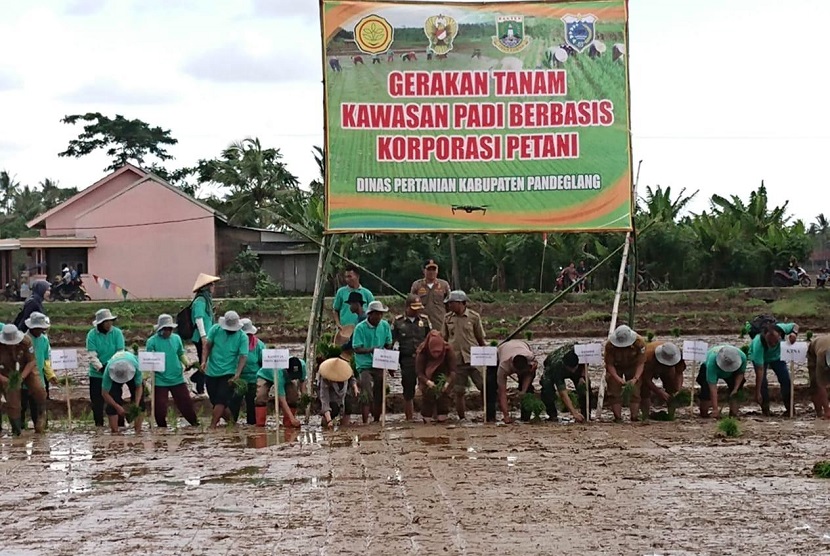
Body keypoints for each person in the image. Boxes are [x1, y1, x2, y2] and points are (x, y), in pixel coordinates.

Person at [145, 314, 199, 428]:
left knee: (186, 403)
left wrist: (187, 363)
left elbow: (180, 353)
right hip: (160, 379)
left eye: (170, 329)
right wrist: (147, 372)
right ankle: (162, 428)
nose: (168, 331)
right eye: (165, 329)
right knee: (160, 407)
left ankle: (195, 424)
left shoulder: (176, 338)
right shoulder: (152, 342)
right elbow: (148, 360)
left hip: (177, 377)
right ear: (160, 329)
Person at [442, 290, 487, 420]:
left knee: (484, 386)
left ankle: (488, 415)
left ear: (461, 303)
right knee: (459, 391)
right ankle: (462, 418)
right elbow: (444, 339)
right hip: (456, 361)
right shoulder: (447, 318)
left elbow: (480, 338)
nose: (449, 306)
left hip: (474, 358)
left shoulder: (474, 317)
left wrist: (487, 355)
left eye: (451, 303)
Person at [201, 310, 248, 428]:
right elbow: (207, 346)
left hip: (229, 373)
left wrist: (237, 374)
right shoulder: (215, 330)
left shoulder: (242, 337)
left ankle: (212, 426)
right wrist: (203, 361)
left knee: (221, 400)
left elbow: (243, 356)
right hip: (211, 371)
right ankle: (232, 423)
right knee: (216, 401)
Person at [0, 324, 48, 435]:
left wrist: (21, 377)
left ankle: (42, 414)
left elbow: (31, 362)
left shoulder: (26, 341)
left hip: (26, 368)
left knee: (38, 389)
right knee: (13, 402)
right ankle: (17, 431)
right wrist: (3, 379)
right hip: (7, 372)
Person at [352, 300, 393, 423]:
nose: (379, 317)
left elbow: (388, 343)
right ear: (370, 314)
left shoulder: (385, 325)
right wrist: (371, 350)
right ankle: (365, 420)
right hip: (365, 365)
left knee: (379, 392)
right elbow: (356, 348)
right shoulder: (360, 328)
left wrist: (388, 359)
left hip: (379, 363)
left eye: (381, 314)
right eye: (376, 314)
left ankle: (376, 419)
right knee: (366, 393)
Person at [392, 294, 431, 421]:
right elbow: (391, 343)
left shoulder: (424, 321)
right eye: (414, 307)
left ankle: (427, 416)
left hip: (423, 359)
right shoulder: (398, 322)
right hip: (407, 359)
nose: (417, 310)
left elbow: (431, 339)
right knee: (408, 388)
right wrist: (391, 365)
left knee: (426, 387)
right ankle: (409, 418)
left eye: (419, 307)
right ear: (407, 307)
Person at [749, 320, 798, 416]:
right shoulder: (758, 344)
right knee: (762, 382)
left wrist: (794, 333)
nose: (773, 344)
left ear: (780, 335)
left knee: (786, 380)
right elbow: (760, 370)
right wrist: (757, 392)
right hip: (761, 357)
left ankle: (790, 409)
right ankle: (766, 410)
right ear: (765, 336)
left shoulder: (782, 328)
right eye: (770, 342)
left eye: (776, 341)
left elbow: (795, 325)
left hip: (777, 357)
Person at [86, 309, 125, 427]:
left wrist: (110, 365)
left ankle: (119, 425)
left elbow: (120, 352)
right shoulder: (92, 335)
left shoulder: (117, 333)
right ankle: (99, 426)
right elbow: (92, 355)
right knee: (97, 402)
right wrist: (101, 368)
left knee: (116, 399)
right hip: (97, 373)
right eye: (106, 322)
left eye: (110, 321)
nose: (109, 324)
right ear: (100, 323)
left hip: (114, 372)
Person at [21, 312, 57, 430]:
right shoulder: (23, 340)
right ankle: (20, 431)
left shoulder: (44, 340)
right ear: (32, 327)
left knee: (39, 407)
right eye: (38, 329)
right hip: (24, 379)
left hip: (40, 379)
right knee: (21, 407)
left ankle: (41, 432)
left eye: (42, 329)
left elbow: (46, 360)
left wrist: (50, 375)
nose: (40, 331)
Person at [604, 324, 647, 422]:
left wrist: (635, 378)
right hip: (616, 366)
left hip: (633, 366)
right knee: (613, 389)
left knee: (635, 390)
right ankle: (618, 418)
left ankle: (634, 417)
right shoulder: (610, 345)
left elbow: (641, 363)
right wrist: (617, 378)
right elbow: (609, 364)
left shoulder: (639, 343)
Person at [540, 343, 590, 423]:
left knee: (585, 386)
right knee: (547, 387)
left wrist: (582, 376)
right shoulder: (557, 367)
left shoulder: (581, 352)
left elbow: (586, 362)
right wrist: (574, 413)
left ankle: (586, 414)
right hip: (551, 365)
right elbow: (563, 393)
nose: (572, 371)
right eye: (570, 369)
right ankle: (552, 415)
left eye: (574, 369)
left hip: (576, 365)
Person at [415, 330, 456, 423]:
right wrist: (427, 382)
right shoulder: (422, 351)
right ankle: (427, 419)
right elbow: (419, 372)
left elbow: (453, 371)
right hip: (427, 375)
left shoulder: (448, 350)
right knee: (427, 397)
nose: (436, 355)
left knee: (443, 398)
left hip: (443, 374)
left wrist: (447, 383)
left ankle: (442, 418)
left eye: (439, 352)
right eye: (434, 352)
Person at [189, 273, 219, 397]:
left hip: (207, 335)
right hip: (202, 336)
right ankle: (198, 382)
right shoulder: (200, 300)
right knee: (204, 360)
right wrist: (203, 337)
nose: (213, 287)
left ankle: (199, 384)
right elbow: (199, 318)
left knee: (205, 360)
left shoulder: (207, 300)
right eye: (211, 284)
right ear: (206, 286)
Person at [697, 345, 747, 418]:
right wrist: (715, 408)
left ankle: (733, 414)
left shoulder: (742, 357)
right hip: (707, 367)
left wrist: (735, 389)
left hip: (732, 373)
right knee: (706, 390)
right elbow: (712, 387)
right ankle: (704, 414)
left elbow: (740, 374)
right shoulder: (711, 362)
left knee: (737, 391)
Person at [101, 351, 145, 433]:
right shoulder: (108, 371)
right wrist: (117, 406)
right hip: (114, 376)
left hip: (132, 369)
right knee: (112, 400)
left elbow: (139, 387)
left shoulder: (136, 367)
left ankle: (138, 431)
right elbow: (104, 393)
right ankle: (115, 431)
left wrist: (136, 404)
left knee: (140, 402)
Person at [640, 341, 685, 419]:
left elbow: (679, 372)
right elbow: (646, 379)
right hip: (651, 367)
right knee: (644, 389)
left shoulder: (678, 355)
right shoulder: (649, 356)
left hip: (668, 369)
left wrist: (678, 389)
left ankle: (671, 415)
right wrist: (659, 392)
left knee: (672, 388)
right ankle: (645, 416)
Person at [496, 339, 537, 423]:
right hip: (503, 349)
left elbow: (529, 374)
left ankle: (525, 417)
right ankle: (492, 416)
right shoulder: (503, 367)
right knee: (492, 383)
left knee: (528, 389)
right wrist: (506, 416)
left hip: (522, 345)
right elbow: (502, 392)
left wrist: (523, 391)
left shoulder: (530, 358)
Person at [229, 318, 261, 425]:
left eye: (249, 335)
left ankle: (252, 424)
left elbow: (263, 362)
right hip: (238, 379)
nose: (247, 337)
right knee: (234, 401)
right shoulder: (233, 344)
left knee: (252, 403)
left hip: (253, 379)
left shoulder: (259, 345)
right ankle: (232, 423)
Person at [318, 356, 358, 428]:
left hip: (343, 396)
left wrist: (355, 387)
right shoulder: (325, 379)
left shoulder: (345, 373)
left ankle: (345, 425)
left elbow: (351, 378)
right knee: (334, 408)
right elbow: (324, 399)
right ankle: (325, 422)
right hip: (332, 400)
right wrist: (329, 421)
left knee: (348, 404)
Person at [410, 259, 451, 330]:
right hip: (422, 324)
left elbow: (450, 305)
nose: (431, 272)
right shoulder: (417, 285)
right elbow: (411, 303)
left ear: (437, 271)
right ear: (424, 271)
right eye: (429, 269)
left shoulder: (444, 285)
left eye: (434, 269)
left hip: (440, 324)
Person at [332, 265, 374, 333]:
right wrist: (338, 324)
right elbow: (335, 310)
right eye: (346, 277)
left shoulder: (367, 293)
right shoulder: (341, 292)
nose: (347, 279)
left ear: (357, 276)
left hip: (363, 330)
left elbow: (373, 311)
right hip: (345, 330)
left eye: (350, 276)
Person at [277, 357, 307, 428]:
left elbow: (302, 383)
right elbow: (282, 399)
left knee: (293, 396)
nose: (295, 378)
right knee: (261, 395)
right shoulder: (279, 372)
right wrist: (292, 419)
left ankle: (288, 423)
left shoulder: (302, 365)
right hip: (268, 376)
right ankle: (260, 424)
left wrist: (304, 398)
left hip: (287, 379)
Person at [807, 335, 830, 419]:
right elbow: (821, 385)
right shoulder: (822, 355)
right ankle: (820, 412)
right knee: (816, 383)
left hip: (825, 344)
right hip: (814, 351)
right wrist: (827, 411)